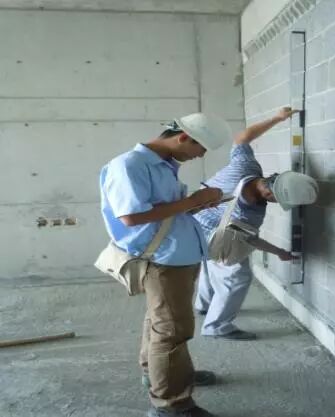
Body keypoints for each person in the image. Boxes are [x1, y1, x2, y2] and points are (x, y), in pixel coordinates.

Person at [99, 113, 231, 417]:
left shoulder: (162, 165)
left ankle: (163, 374)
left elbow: (164, 212)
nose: (200, 155)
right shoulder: (129, 165)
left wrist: (198, 202)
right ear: (183, 137)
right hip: (162, 261)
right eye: (201, 148)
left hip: (175, 257)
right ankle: (171, 403)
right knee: (172, 331)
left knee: (161, 323)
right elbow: (130, 217)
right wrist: (194, 200)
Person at [194, 107, 319, 341]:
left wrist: (276, 118)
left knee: (211, 264)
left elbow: (242, 138)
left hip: (193, 224)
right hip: (213, 235)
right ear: (271, 193)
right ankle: (216, 326)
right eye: (277, 200)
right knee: (236, 275)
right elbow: (249, 240)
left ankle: (204, 304)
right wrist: (279, 251)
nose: (275, 204)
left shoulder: (246, 167)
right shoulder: (247, 213)